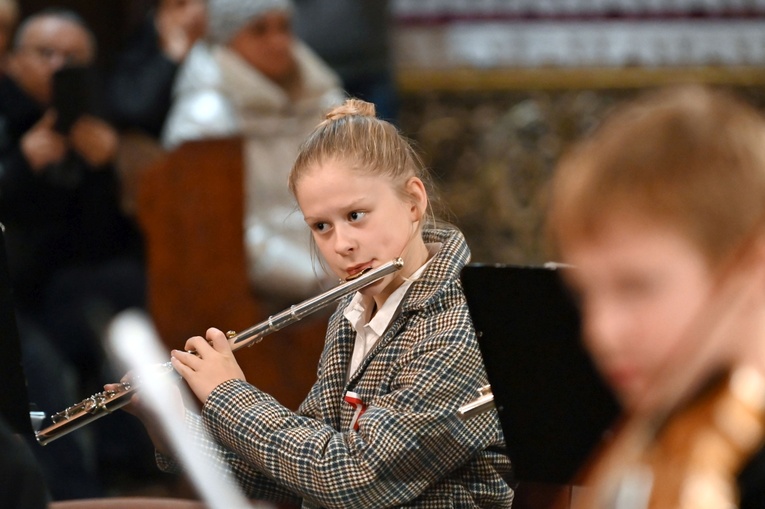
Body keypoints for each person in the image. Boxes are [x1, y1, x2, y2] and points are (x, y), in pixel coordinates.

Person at [112, 98, 514, 507]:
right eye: (321, 226)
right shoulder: (353, 310)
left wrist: (228, 393)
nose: (342, 245)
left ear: (413, 201)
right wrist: (176, 427)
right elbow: (295, 471)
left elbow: (353, 478)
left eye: (356, 215)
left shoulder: (462, 327)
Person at [546, 85, 765, 509]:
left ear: (753, 269)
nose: (600, 333)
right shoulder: (664, 442)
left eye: (636, 287)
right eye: (585, 295)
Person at [0, 8, 151, 499]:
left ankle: (132, 463)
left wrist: (103, 173)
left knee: (124, 295)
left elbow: (99, 244)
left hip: (56, 286)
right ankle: (70, 493)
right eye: (45, 54)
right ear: (14, 60)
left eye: (72, 58)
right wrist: (22, 163)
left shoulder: (90, 120)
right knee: (37, 366)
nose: (57, 66)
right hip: (16, 292)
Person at [161, 0, 344, 307]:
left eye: (284, 27)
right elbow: (222, 232)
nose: (278, 41)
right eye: (259, 30)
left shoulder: (323, 99)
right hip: (262, 298)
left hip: (339, 272)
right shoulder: (205, 119)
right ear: (226, 38)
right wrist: (319, 277)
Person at [107, 0, 207, 139]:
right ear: (160, 16)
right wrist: (169, 59)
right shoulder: (137, 47)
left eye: (203, 3)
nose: (194, 13)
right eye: (181, 4)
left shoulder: (218, 47)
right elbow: (132, 110)